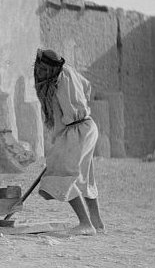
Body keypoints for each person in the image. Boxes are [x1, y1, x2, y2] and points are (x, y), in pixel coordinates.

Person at [33, 49, 105, 235]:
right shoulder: (67, 73)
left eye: (44, 69)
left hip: (78, 130)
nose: (40, 72)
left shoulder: (60, 81)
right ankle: (97, 223)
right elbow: (87, 86)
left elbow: (66, 116)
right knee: (83, 178)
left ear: (52, 70)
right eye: (39, 67)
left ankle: (85, 224)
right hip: (84, 128)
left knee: (61, 177)